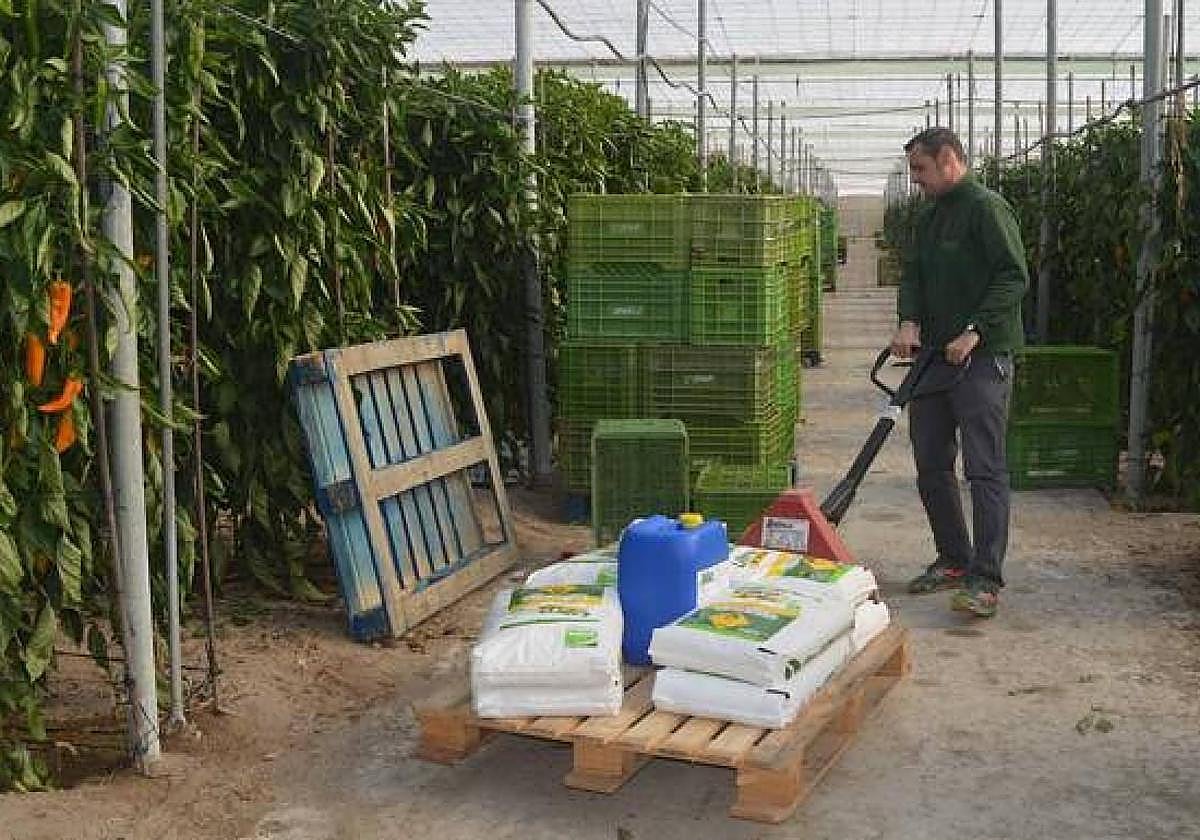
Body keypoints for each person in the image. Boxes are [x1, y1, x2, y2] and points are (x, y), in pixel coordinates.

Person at [891, 127, 1028, 618]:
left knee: (984, 468)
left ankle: (986, 577)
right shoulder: (930, 218)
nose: (916, 180)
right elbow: (914, 275)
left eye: (920, 169)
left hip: (982, 360)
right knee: (931, 460)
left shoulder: (986, 208)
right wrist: (908, 320)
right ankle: (953, 556)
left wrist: (975, 329)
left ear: (949, 159)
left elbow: (1014, 275)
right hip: (933, 359)